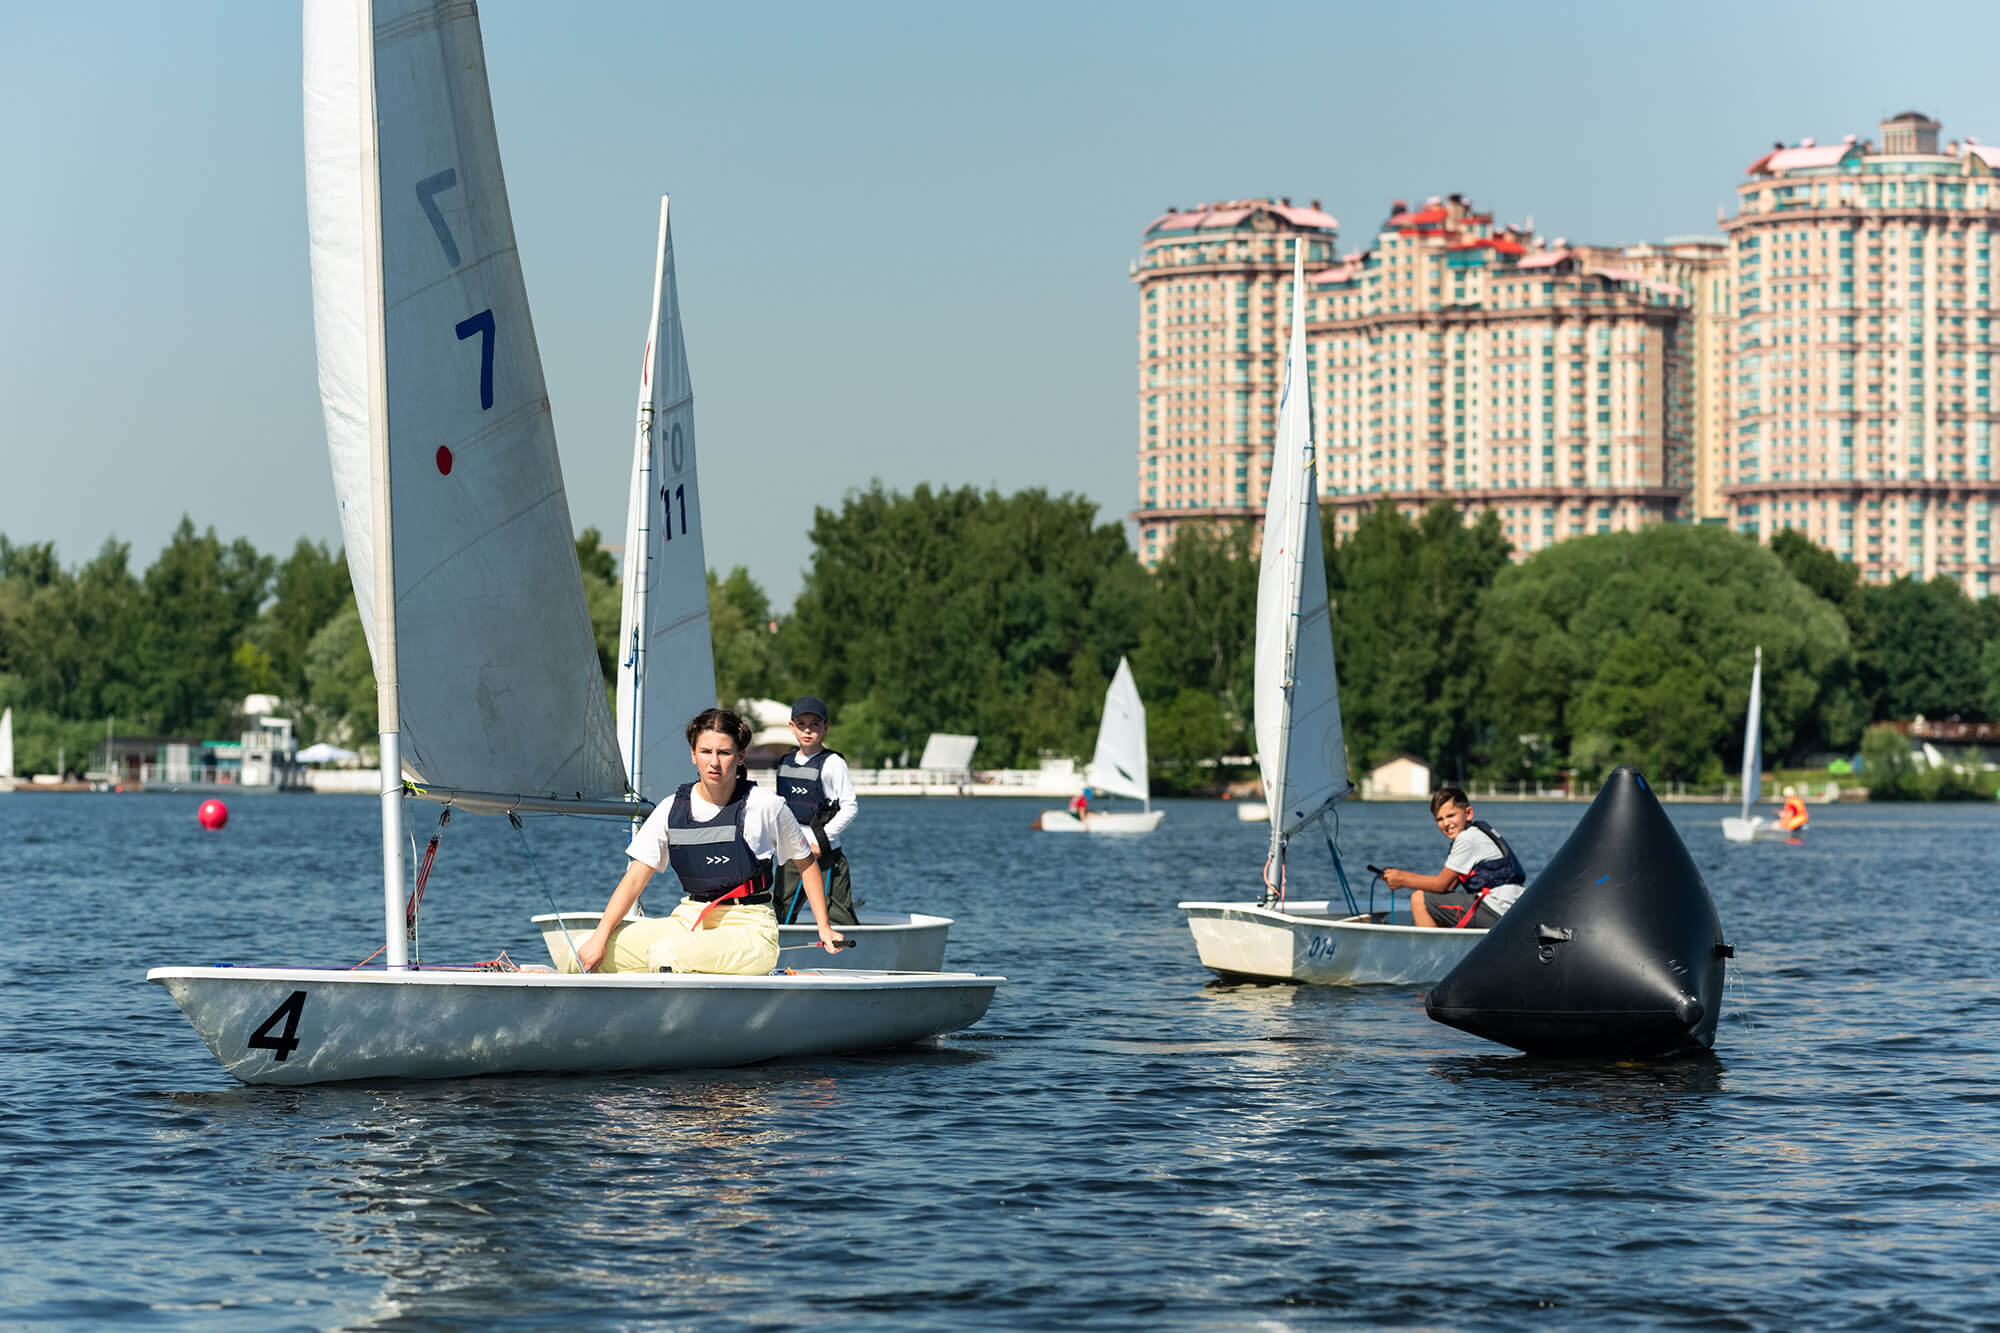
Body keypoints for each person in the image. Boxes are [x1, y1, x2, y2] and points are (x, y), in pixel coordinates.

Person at [569, 707, 843, 974]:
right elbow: (634, 880)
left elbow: (806, 864)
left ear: (740, 756)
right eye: (706, 752)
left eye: (724, 753)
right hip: (689, 919)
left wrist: (824, 927)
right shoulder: (670, 808)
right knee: (580, 949)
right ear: (693, 755)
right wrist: (600, 937)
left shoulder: (767, 806)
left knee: (667, 953)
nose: (714, 762)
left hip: (750, 929)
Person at [1380, 786, 1528, 929]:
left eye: (1451, 816)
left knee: (1419, 899)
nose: (1446, 823)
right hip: (1511, 907)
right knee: (1433, 899)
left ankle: (1434, 952)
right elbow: (1450, 886)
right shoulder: (1475, 831)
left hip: (1497, 908)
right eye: (1439, 819)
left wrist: (1402, 879)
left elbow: (1441, 885)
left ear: (1468, 813)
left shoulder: (1466, 839)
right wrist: (1399, 874)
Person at [771, 696, 860, 926]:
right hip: (792, 852)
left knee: (838, 916)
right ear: (792, 727)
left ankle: (848, 954)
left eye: (815, 724)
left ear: (826, 727)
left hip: (825, 854)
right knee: (781, 913)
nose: (808, 730)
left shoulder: (833, 763)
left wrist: (822, 840)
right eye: (801, 724)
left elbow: (850, 806)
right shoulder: (785, 763)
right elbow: (779, 809)